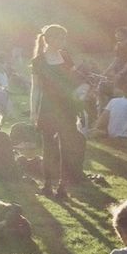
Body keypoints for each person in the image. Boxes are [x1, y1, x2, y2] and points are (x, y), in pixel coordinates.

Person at [30, 25, 81, 198]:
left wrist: (80, 99)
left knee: (66, 148)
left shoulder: (66, 57)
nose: (62, 41)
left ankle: (63, 186)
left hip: (67, 108)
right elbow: (35, 88)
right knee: (49, 148)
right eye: (59, 38)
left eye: (63, 38)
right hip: (47, 108)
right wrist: (33, 111)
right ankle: (47, 184)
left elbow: (73, 82)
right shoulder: (38, 61)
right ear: (49, 39)